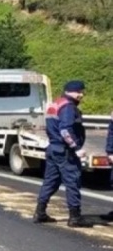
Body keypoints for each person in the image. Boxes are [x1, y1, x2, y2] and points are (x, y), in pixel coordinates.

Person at [33, 80, 91, 228]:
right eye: (79, 92)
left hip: (53, 148)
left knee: (50, 182)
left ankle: (40, 212)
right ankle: (75, 217)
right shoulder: (68, 107)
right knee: (73, 182)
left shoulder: (55, 103)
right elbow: (65, 130)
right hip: (65, 151)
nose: (81, 95)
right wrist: (76, 148)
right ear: (70, 91)